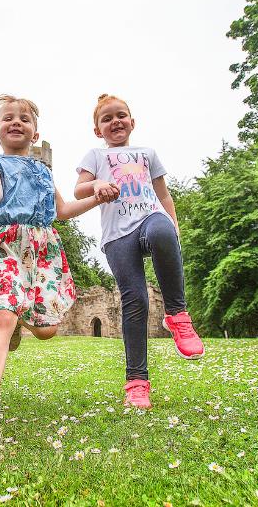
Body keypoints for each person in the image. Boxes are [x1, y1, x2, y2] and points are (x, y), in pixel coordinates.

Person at [0, 95, 114, 444]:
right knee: (2, 316)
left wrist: (97, 197)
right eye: (8, 118)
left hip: (42, 252)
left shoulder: (43, 171)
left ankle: (14, 322)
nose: (16, 122)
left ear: (35, 133)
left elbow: (64, 210)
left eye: (24, 118)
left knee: (47, 330)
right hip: (6, 245)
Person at [74, 94, 205, 410]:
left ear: (132, 122)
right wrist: (96, 187)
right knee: (135, 300)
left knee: (162, 230)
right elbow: (79, 189)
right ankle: (137, 383)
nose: (115, 121)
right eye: (107, 119)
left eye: (121, 115)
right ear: (97, 130)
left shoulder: (147, 153)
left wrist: (174, 224)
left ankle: (177, 314)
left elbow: (164, 193)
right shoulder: (95, 155)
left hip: (149, 217)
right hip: (118, 235)